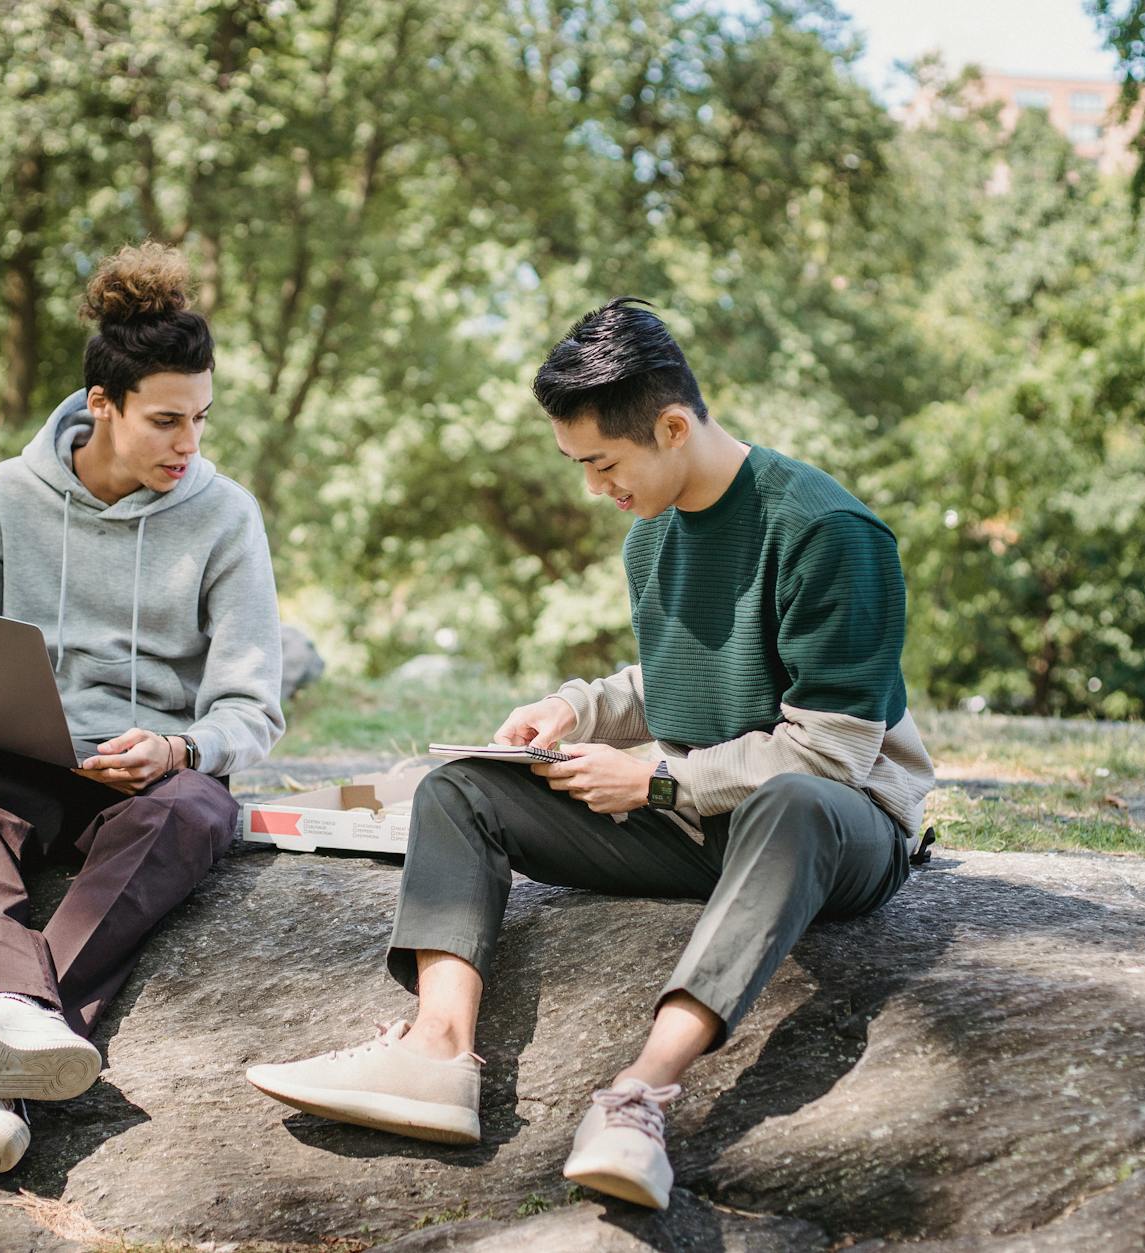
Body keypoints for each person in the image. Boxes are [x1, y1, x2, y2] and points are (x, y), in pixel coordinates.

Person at [245, 297, 933, 1209]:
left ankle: (639, 1094)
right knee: (463, 788)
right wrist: (574, 708)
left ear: (675, 426)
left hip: (836, 826)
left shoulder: (830, 532)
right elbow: (674, 676)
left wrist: (656, 777)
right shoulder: (653, 534)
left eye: (602, 463)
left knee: (792, 804)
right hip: (698, 818)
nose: (591, 487)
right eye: (579, 465)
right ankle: (435, 1051)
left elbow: (834, 756)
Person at [0, 242, 284, 1173]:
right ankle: (16, 1043)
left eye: (203, 420)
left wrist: (180, 748)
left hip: (148, 777)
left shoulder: (227, 517)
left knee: (197, 811)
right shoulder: (4, 499)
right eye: (168, 422)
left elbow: (252, 706)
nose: (191, 446)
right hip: (20, 759)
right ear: (102, 405)